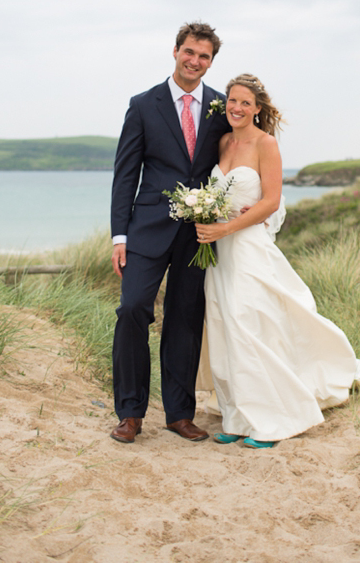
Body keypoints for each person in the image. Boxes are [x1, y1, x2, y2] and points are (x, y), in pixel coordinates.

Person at [195, 74, 360, 449]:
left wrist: (226, 229)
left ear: (258, 108)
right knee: (224, 327)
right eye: (232, 100)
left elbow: (270, 202)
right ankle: (236, 415)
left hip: (245, 247)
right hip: (219, 255)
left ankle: (273, 418)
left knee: (249, 327)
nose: (237, 107)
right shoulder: (223, 142)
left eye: (246, 102)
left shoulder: (266, 144)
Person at [110, 22, 230, 444]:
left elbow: (237, 160)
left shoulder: (221, 106)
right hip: (146, 229)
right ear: (175, 51)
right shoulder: (143, 104)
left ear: (211, 62)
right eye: (189, 52)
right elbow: (126, 174)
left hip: (198, 235)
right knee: (132, 310)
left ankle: (180, 414)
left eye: (204, 56)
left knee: (185, 319)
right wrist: (118, 236)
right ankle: (130, 413)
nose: (195, 61)